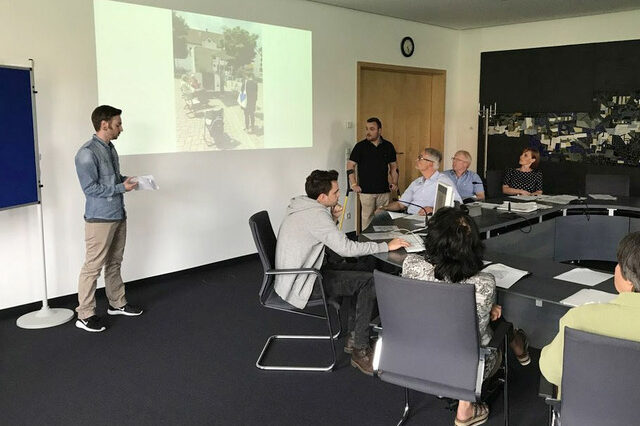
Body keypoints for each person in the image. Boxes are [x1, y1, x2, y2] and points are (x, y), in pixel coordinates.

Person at [402, 207, 528, 426]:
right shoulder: (483, 283)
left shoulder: (410, 265)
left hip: (415, 355)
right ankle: (466, 406)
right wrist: (488, 310)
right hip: (468, 367)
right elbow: (473, 336)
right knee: (503, 325)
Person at [275, 170, 409, 375]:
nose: (339, 195)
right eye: (336, 192)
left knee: (364, 270)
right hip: (305, 281)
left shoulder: (304, 205)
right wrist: (385, 246)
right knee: (369, 282)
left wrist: (333, 219)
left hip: (303, 271)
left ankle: (355, 335)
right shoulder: (316, 215)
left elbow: (321, 238)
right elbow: (345, 248)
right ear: (322, 197)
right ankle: (360, 350)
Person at [540, 232, 640, 394]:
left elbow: (551, 372)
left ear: (629, 279)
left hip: (583, 416)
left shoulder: (579, 318)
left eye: (618, 264)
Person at [74, 105, 143, 332]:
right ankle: (84, 314)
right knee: (92, 268)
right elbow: (90, 188)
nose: (121, 128)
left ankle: (117, 303)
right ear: (104, 125)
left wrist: (126, 180)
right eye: (118, 124)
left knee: (114, 262)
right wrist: (120, 187)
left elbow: (111, 180)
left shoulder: (110, 148)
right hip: (99, 219)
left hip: (118, 214)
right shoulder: (86, 153)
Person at [347, 117, 398, 230]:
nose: (368, 132)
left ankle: (383, 243)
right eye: (367, 129)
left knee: (382, 218)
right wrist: (354, 184)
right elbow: (350, 165)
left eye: (372, 129)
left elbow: (394, 167)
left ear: (379, 130)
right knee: (367, 219)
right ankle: (365, 244)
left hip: (383, 190)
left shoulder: (388, 146)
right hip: (365, 191)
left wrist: (394, 182)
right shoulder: (360, 146)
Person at [379, 147, 462, 215]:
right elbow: (401, 204)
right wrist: (384, 208)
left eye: (420, 158)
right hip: (408, 217)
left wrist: (433, 209)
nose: (416, 160)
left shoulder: (443, 181)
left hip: (429, 219)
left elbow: (458, 205)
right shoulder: (416, 182)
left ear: (430, 163)